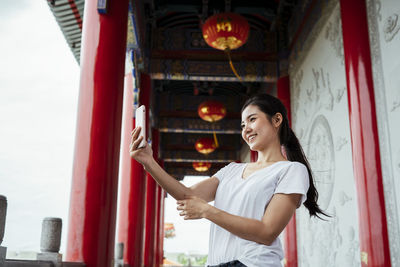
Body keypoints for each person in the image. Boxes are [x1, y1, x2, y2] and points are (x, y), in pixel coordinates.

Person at [130, 94, 328, 267]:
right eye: (243, 125)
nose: (246, 129)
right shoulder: (231, 170)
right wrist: (149, 162)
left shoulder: (291, 170)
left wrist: (207, 211)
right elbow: (187, 195)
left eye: (252, 120)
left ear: (276, 120)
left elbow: (267, 232)